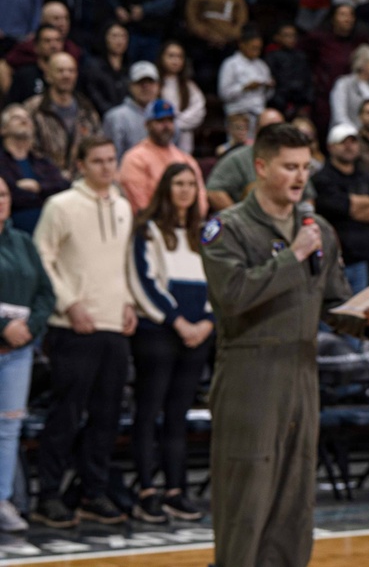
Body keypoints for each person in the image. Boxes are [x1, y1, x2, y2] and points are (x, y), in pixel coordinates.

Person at [200, 122, 369, 566]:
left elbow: (333, 303)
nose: (300, 176)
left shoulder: (318, 228)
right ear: (261, 167)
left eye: (305, 167)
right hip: (250, 374)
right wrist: (293, 256)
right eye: (289, 167)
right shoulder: (226, 229)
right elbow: (232, 297)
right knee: (245, 495)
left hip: (303, 373)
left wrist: (366, 316)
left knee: (294, 498)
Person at [31, 135, 137, 528]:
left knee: (107, 417)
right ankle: (48, 495)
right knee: (66, 415)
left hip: (113, 324)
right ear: (80, 165)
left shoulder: (125, 207)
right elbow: (43, 256)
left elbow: (125, 264)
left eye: (111, 160)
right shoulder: (61, 205)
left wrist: (129, 303)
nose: (107, 168)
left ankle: (92, 492)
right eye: (97, 161)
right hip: (72, 326)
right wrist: (69, 302)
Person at [126, 163, 212, 523]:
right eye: (178, 183)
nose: (185, 190)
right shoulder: (147, 230)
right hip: (158, 333)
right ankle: (147, 490)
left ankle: (177, 489)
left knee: (178, 416)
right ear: (166, 187)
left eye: (191, 184)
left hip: (198, 336)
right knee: (149, 413)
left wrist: (208, 321)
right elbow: (144, 281)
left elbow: (218, 281)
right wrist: (177, 320)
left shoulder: (204, 234)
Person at [0, 174, 55, 532]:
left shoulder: (22, 241)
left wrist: (29, 329)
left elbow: (45, 294)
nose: (0, 200)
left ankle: (2, 499)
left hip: (18, 350)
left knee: (8, 428)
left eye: (3, 194)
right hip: (5, 335)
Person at [314, 122, 369, 294]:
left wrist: (351, 206)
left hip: (365, 259)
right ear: (330, 147)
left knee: (361, 317)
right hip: (333, 262)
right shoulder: (322, 178)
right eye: (343, 142)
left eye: (353, 141)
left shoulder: (367, 177)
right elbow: (336, 207)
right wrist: (366, 202)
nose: (349, 146)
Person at [118, 99, 208, 215]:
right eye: (160, 121)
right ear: (147, 125)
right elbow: (140, 205)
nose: (166, 126)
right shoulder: (134, 158)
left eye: (170, 120)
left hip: (187, 225)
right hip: (152, 226)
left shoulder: (185, 158)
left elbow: (200, 200)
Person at [22, 52, 102, 178]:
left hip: (81, 183)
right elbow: (26, 150)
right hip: (44, 182)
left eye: (71, 71)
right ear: (48, 76)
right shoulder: (33, 109)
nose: (66, 75)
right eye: (60, 71)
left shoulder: (87, 110)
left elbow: (97, 146)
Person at [301, 3, 368, 138]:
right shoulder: (318, 38)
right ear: (333, 18)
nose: (347, 19)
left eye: (350, 15)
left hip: (352, 97)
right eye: (343, 14)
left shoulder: (360, 40)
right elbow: (304, 60)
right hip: (324, 96)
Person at [0, 104, 69, 233]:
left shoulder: (42, 162)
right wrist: (44, 195)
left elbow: (64, 186)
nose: (24, 120)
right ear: (3, 129)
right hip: (12, 231)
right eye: (16, 117)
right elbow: (11, 196)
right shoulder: (2, 163)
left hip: (50, 227)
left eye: (27, 118)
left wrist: (39, 187)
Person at [184, 0, 249, 94]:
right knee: (203, 72)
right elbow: (191, 18)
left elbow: (241, 23)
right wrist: (207, 36)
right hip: (202, 42)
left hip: (228, 44)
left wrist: (226, 38)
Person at [205, 108, 284, 211]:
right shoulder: (238, 158)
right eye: (269, 129)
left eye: (280, 129)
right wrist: (238, 218)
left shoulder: (294, 158)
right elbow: (213, 190)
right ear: (257, 131)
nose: (275, 134)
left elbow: (306, 196)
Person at [330, 44, 369, 135]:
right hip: (348, 136)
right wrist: (356, 134)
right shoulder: (343, 84)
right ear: (362, 64)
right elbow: (339, 115)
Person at [102, 60, 159, 159]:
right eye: (140, 83)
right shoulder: (115, 117)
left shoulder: (169, 115)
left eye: (150, 82)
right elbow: (112, 157)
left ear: (158, 85)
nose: (146, 87)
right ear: (130, 86)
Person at [218, 25, 274, 123]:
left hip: (259, 112)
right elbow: (224, 94)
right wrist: (245, 88)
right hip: (238, 113)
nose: (257, 52)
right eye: (253, 48)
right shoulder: (230, 64)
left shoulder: (262, 65)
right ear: (242, 44)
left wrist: (268, 87)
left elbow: (267, 96)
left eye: (259, 49)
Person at [156, 42, 204, 155]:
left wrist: (175, 123)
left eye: (179, 57)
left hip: (184, 141)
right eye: (171, 56)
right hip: (159, 138)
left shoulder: (189, 86)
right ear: (162, 58)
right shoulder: (155, 84)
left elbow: (199, 110)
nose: (175, 61)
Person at [264, 24, 313, 119]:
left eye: (293, 36)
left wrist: (306, 102)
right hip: (280, 104)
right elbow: (271, 82)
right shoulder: (272, 57)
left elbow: (308, 80)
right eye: (286, 35)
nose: (291, 39)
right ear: (277, 37)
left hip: (300, 104)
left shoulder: (301, 56)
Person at [6, 23, 63, 105]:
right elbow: (12, 107)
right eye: (47, 41)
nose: (53, 45)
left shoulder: (71, 74)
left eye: (57, 40)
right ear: (36, 46)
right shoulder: (24, 75)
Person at [81, 22, 130, 116]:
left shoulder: (130, 68)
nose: (119, 41)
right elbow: (93, 94)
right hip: (101, 116)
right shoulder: (93, 67)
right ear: (105, 38)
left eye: (123, 36)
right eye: (114, 36)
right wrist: (113, 114)